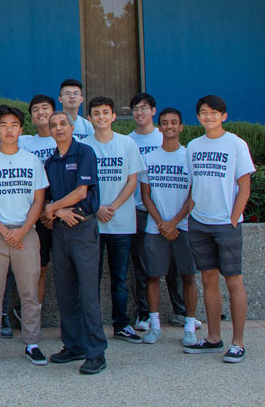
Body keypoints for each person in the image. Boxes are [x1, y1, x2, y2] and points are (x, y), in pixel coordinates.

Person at [0, 105, 48, 367]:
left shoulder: (32, 161)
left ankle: (32, 343)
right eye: (3, 125)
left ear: (21, 129)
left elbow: (39, 200)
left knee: (29, 293)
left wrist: (23, 231)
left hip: (26, 232)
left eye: (13, 124)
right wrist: (5, 232)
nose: (8, 129)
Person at [183, 95, 254, 364]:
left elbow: (244, 185)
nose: (208, 116)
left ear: (223, 116)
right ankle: (214, 338)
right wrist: (191, 214)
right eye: (203, 112)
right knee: (208, 280)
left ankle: (238, 342)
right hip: (200, 222)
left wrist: (234, 218)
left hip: (226, 224)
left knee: (234, 281)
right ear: (198, 117)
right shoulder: (193, 146)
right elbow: (193, 184)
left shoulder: (236, 144)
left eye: (214, 112)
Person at [43, 111, 107, 375]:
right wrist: (57, 213)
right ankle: (73, 345)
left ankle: (96, 352)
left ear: (72, 127)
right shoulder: (50, 162)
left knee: (88, 293)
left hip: (82, 228)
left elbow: (82, 192)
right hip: (60, 231)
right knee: (66, 291)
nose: (58, 128)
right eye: (53, 125)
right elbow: (44, 201)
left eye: (62, 124)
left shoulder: (85, 153)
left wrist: (53, 209)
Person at [81, 96, 144, 344]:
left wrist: (113, 207)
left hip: (121, 222)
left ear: (114, 116)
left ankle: (121, 325)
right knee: (91, 279)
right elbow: (82, 185)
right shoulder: (84, 146)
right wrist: (96, 209)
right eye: (96, 113)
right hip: (92, 222)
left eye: (105, 112)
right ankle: (92, 327)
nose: (101, 117)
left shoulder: (127, 144)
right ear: (90, 118)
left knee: (119, 279)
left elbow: (132, 181)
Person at [128, 93, 190, 332]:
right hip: (142, 211)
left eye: (144, 108)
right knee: (143, 266)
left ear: (154, 112)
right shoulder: (129, 141)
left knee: (177, 267)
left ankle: (181, 311)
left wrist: (172, 221)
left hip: (175, 214)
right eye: (135, 108)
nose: (139, 112)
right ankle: (144, 313)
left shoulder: (165, 137)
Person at [139, 108, 199, 347]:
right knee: (153, 276)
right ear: (159, 127)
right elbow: (146, 196)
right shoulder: (150, 158)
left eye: (174, 122)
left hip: (183, 227)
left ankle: (189, 326)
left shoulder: (189, 157)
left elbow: (194, 195)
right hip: (156, 228)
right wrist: (162, 223)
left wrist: (174, 222)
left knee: (188, 277)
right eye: (164, 123)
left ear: (181, 127)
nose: (169, 126)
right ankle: (154, 327)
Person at [20, 94, 58, 311]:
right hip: (35, 213)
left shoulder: (66, 140)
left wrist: (54, 209)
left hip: (62, 213)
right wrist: (43, 211)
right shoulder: (25, 143)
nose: (41, 112)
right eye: (36, 110)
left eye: (45, 108)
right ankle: (35, 314)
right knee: (39, 268)